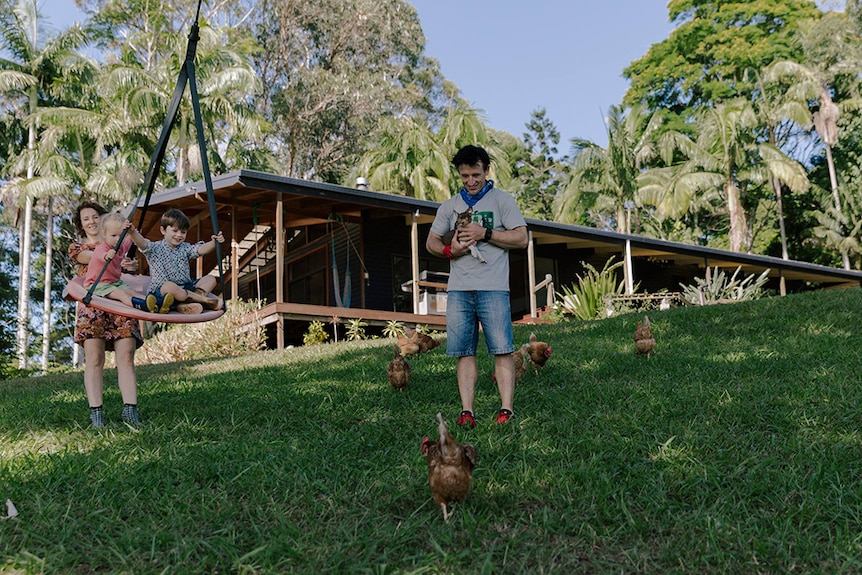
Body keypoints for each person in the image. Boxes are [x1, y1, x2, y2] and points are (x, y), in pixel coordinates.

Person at [426, 145, 529, 428]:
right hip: (459, 290)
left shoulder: (502, 201)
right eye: (464, 176)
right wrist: (450, 251)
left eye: (476, 174)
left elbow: (522, 239)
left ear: (486, 170)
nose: (471, 181)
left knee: (502, 350)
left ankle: (506, 409)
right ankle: (467, 412)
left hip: (494, 287)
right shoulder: (449, 207)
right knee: (463, 352)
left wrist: (486, 233)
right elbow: (431, 241)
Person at [69, 201, 144, 428]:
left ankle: (130, 410)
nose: (91, 221)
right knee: (94, 358)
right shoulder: (78, 248)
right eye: (86, 219)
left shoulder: (119, 245)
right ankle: (97, 413)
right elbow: (94, 259)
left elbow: (128, 267)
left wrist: (127, 260)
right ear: (81, 225)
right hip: (93, 302)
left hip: (119, 296)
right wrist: (117, 253)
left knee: (126, 355)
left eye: (95, 216)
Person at [125, 208, 225, 312]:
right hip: (163, 293)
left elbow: (200, 249)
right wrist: (132, 232)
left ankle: (184, 304)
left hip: (185, 288)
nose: (179, 235)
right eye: (175, 231)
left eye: (183, 232)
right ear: (163, 230)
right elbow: (142, 243)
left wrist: (214, 243)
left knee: (210, 279)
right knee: (170, 286)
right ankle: (205, 301)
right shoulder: (155, 248)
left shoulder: (185, 247)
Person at [82, 211, 158, 313]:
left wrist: (132, 231)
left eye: (120, 235)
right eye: (113, 235)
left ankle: (153, 303)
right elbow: (99, 255)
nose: (118, 239)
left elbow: (132, 239)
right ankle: (140, 306)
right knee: (121, 294)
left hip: (115, 282)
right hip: (97, 284)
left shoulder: (121, 247)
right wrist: (107, 255)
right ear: (104, 235)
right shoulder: (102, 248)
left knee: (131, 291)